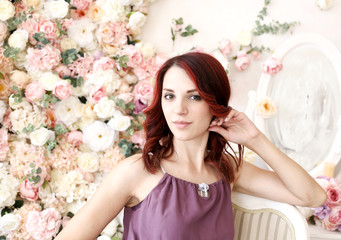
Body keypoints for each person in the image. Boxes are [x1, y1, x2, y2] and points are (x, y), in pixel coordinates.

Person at [56, 52, 326, 239]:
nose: (179, 110)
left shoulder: (227, 170)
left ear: (214, 104)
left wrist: (256, 140)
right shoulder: (137, 171)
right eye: (170, 96)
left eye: (194, 97)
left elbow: (312, 197)